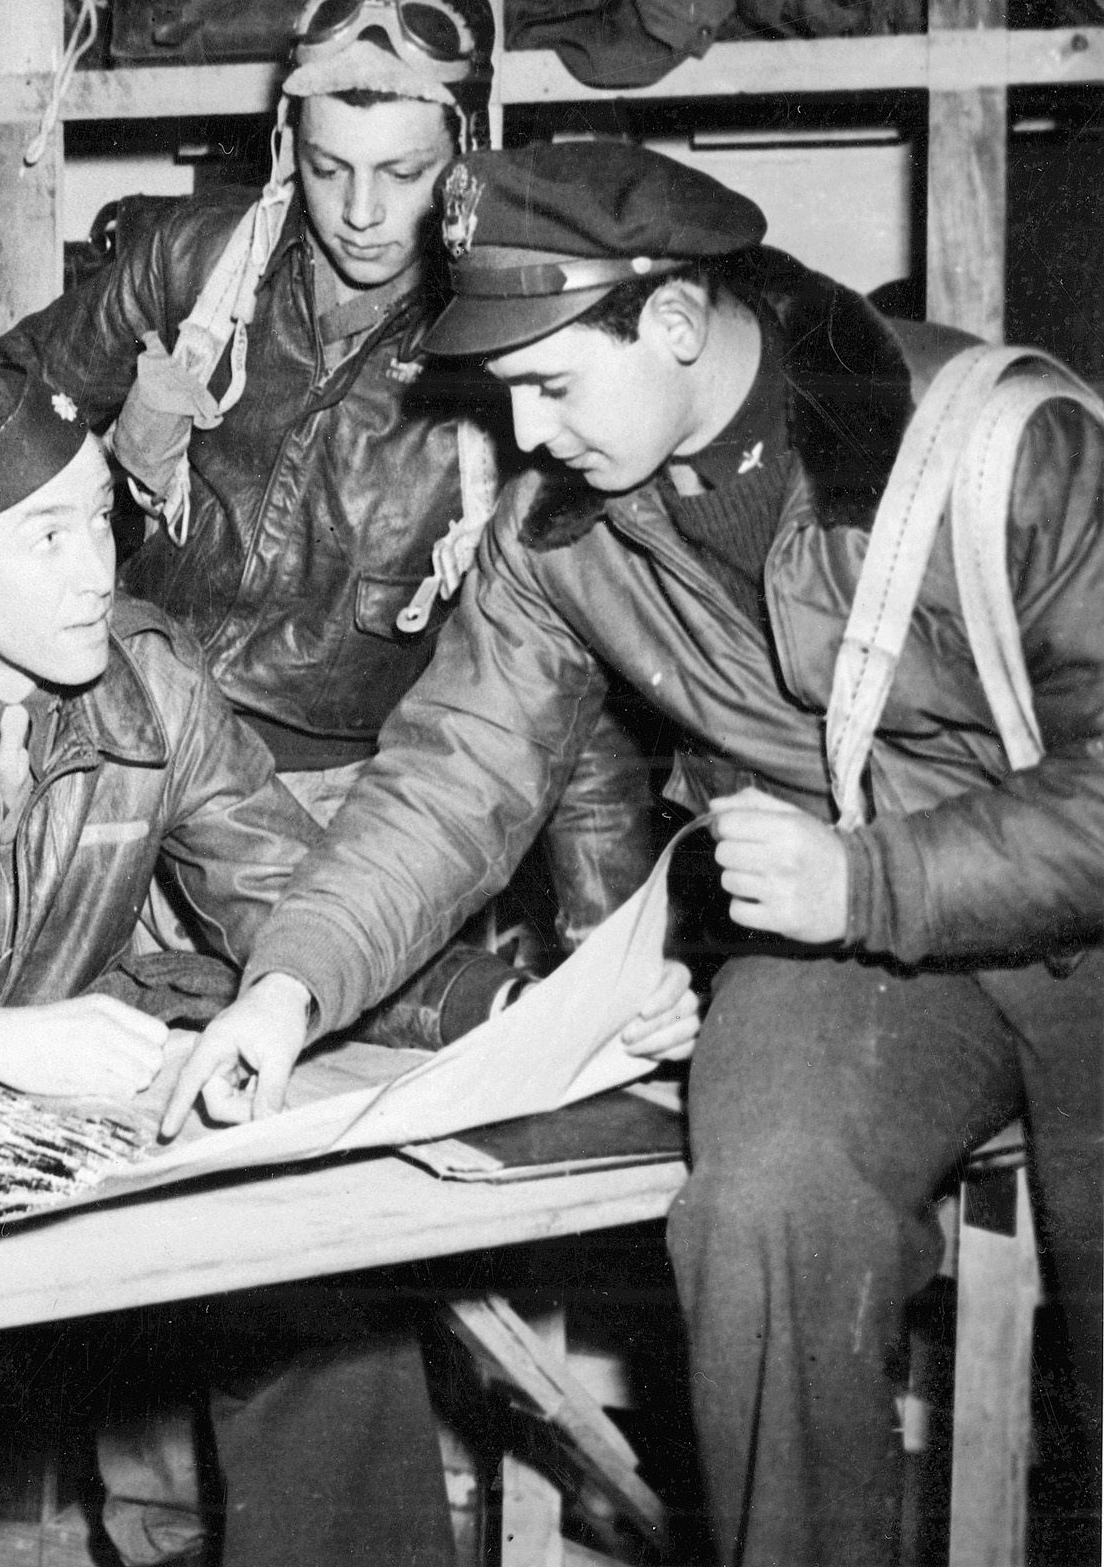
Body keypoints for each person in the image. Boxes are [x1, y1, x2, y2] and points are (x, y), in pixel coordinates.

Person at [168, 139, 1102, 1567]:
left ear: (673, 319)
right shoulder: (563, 530)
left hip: (1050, 921)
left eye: (550, 383)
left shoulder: (995, 445)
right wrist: (290, 986)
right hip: (855, 949)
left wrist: (869, 879)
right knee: (764, 1203)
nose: (528, 438)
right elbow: (459, 768)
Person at [0, 357, 698, 1567]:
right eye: (44, 538)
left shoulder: (150, 678)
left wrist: (510, 1006)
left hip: (71, 1161)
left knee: (326, 1310)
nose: (96, 571)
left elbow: (295, 904)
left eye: (99, 520)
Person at [0, 0, 658, 1564]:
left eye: (406, 171)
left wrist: (606, 960)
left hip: (350, 810)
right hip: (124, 758)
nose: (363, 212)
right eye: (332, 163)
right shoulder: (185, 266)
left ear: (467, 152)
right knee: (70, 1167)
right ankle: (145, 1536)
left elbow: (546, 692)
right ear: (288, 139)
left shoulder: (515, 340)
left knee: (275, 1212)